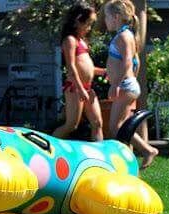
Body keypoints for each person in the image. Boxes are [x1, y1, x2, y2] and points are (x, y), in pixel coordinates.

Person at [101, 0, 158, 169]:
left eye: (107, 16)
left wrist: (116, 84)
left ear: (116, 17)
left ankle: (147, 150)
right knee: (124, 125)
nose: (105, 20)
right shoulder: (127, 35)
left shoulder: (124, 36)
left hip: (124, 86)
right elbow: (136, 61)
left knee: (115, 126)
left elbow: (127, 62)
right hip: (127, 84)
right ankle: (129, 157)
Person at [53, 2, 105, 141]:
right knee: (71, 125)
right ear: (78, 20)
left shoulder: (82, 41)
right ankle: (47, 147)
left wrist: (104, 72)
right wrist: (81, 89)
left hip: (86, 88)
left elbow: (88, 68)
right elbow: (71, 67)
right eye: (88, 23)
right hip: (75, 88)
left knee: (97, 123)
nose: (89, 28)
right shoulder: (70, 40)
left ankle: (100, 156)